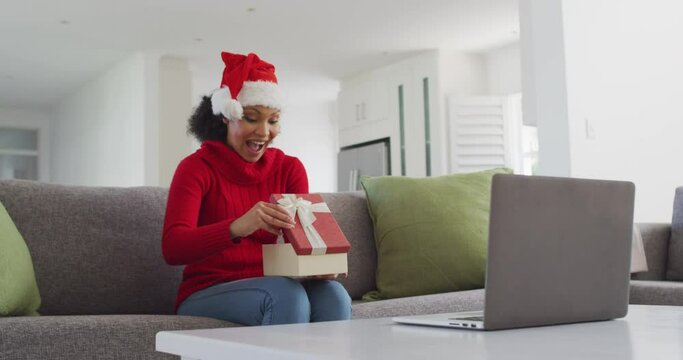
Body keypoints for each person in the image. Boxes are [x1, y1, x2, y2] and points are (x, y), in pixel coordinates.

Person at [162, 52, 351, 326]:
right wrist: (238, 226)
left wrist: (318, 267)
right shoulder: (196, 168)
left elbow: (297, 246)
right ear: (227, 117)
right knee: (285, 296)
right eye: (252, 118)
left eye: (273, 120)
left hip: (276, 284)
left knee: (334, 295)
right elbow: (173, 248)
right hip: (208, 290)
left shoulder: (289, 169)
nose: (264, 132)